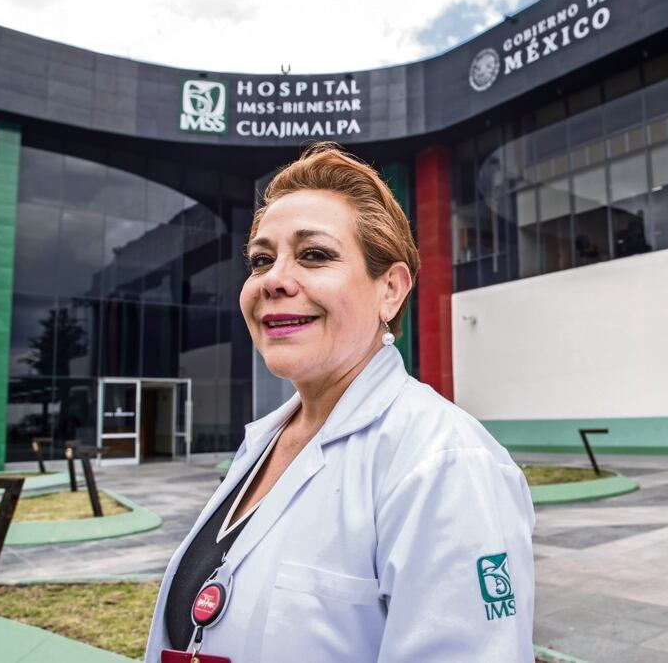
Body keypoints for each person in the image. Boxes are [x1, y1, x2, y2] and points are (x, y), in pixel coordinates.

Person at [143, 142, 535, 662]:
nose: (274, 280)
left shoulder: (444, 464)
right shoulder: (265, 442)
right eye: (262, 260)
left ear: (390, 290)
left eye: (314, 255)